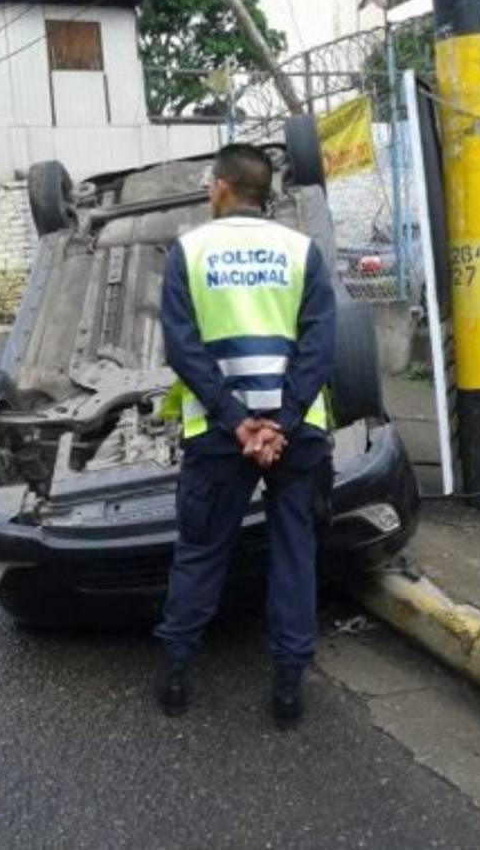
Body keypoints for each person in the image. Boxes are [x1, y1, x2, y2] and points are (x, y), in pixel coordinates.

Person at [154, 143, 336, 729]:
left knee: (202, 552)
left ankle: (177, 676)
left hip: (218, 435)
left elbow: (183, 348)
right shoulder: (301, 251)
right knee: (294, 554)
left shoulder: (190, 250)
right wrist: (279, 422)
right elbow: (318, 346)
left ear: (222, 188)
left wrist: (237, 420)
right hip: (296, 435)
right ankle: (287, 689)